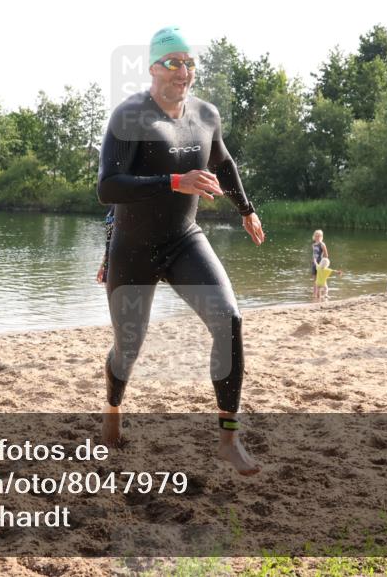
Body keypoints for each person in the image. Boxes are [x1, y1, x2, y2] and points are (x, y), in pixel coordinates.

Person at [97, 26, 265, 476]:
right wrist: (174, 181)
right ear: (153, 67)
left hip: (182, 238)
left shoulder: (206, 115)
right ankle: (113, 404)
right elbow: (108, 187)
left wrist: (246, 209)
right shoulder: (128, 118)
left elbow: (223, 163)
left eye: (189, 63)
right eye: (173, 62)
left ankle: (228, 439)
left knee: (228, 319)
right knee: (127, 348)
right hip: (132, 250)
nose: (183, 71)